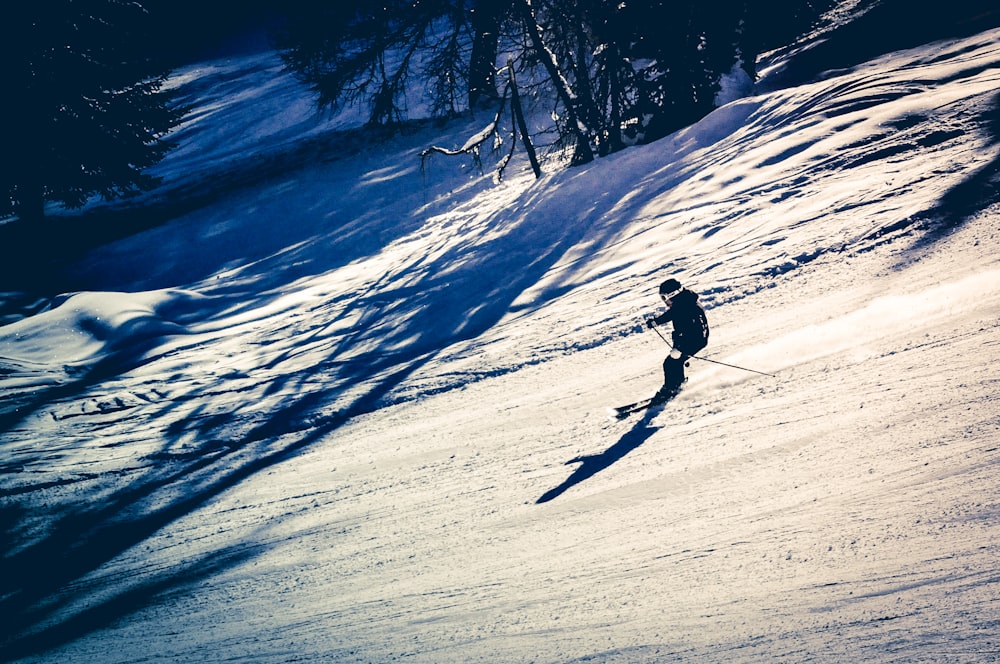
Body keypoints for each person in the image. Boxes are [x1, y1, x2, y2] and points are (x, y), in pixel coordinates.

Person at [645, 278, 709, 403]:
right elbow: (672, 314)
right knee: (675, 362)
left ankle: (671, 389)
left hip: (694, 340)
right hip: (689, 338)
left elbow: (695, 329)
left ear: (673, 295)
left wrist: (680, 348)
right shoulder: (684, 302)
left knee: (670, 363)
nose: (664, 301)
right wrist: (655, 322)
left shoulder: (686, 306)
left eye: (664, 298)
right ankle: (677, 385)